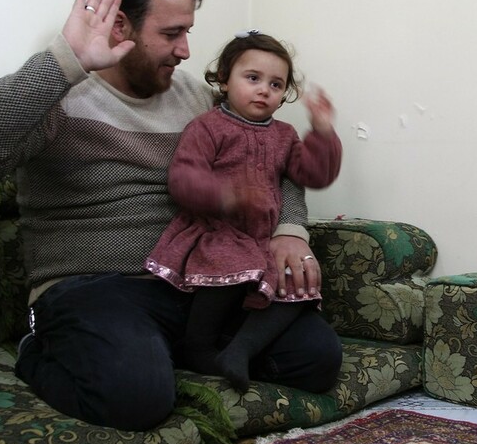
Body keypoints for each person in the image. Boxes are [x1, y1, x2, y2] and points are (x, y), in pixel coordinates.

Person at [0, 0, 343, 431]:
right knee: (135, 398)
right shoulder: (61, 94)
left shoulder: (199, 100)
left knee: (316, 359)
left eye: (187, 32)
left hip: (198, 282)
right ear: (120, 26)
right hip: (95, 287)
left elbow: (273, 159)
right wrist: (65, 60)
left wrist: (289, 229)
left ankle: (167, 353)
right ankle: (42, 350)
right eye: (171, 34)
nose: (185, 50)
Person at [145, 31, 342, 392]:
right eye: (252, 78)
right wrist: (227, 195)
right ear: (224, 79)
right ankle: (198, 347)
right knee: (230, 258)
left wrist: (323, 131)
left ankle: (241, 349)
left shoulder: (284, 135)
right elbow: (182, 179)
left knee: (295, 278)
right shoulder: (207, 127)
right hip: (216, 233)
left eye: (276, 84)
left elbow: (314, 174)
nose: (264, 90)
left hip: (262, 241)